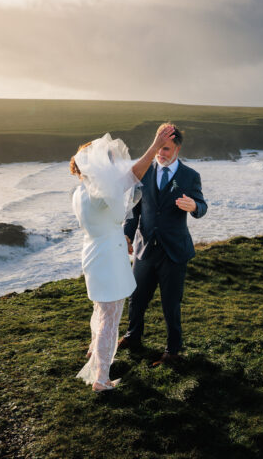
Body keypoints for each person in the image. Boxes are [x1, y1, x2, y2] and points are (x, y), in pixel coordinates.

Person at [71, 125, 175, 392]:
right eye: (108, 160)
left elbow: (101, 222)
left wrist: (120, 236)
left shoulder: (81, 192)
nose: (114, 164)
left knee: (100, 309)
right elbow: (135, 174)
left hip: (95, 252)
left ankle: (95, 354)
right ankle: (101, 379)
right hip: (108, 259)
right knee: (111, 317)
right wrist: (155, 145)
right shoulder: (101, 191)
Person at [118, 123, 208, 366]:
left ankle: (172, 351)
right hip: (144, 249)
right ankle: (132, 336)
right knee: (136, 298)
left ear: (177, 148)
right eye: (159, 147)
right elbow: (133, 211)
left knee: (171, 304)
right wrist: (127, 235)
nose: (161, 153)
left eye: (166, 148)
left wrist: (194, 207)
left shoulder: (190, 176)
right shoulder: (144, 171)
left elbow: (202, 206)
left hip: (174, 252)